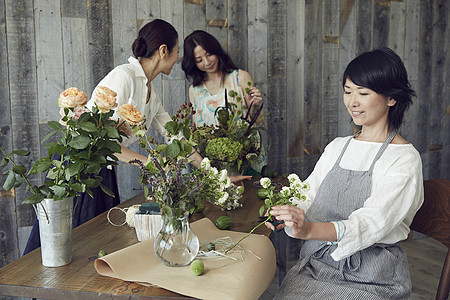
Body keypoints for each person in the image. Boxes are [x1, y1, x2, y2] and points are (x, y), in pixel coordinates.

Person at [24, 19, 199, 254]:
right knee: (66, 246)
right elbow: (100, 141)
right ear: (163, 51)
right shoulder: (124, 76)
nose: (178, 58)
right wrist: (151, 164)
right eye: (177, 51)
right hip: (77, 166)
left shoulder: (151, 93)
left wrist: (214, 174)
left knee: (97, 245)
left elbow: (177, 138)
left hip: (102, 171)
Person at [267, 48, 424, 299]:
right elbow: (308, 193)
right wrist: (286, 211)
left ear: (391, 98)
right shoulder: (339, 147)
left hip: (372, 278)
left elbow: (371, 223)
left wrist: (308, 230)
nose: (352, 102)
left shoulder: (404, 159)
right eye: (348, 91)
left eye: (363, 93)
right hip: (317, 265)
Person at [181, 30, 265, 173]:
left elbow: (259, 121)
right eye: (199, 60)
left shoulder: (240, 78)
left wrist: (254, 104)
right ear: (193, 63)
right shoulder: (194, 90)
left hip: (244, 159)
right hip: (212, 164)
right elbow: (196, 130)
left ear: (216, 51)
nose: (207, 62)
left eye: (209, 54)